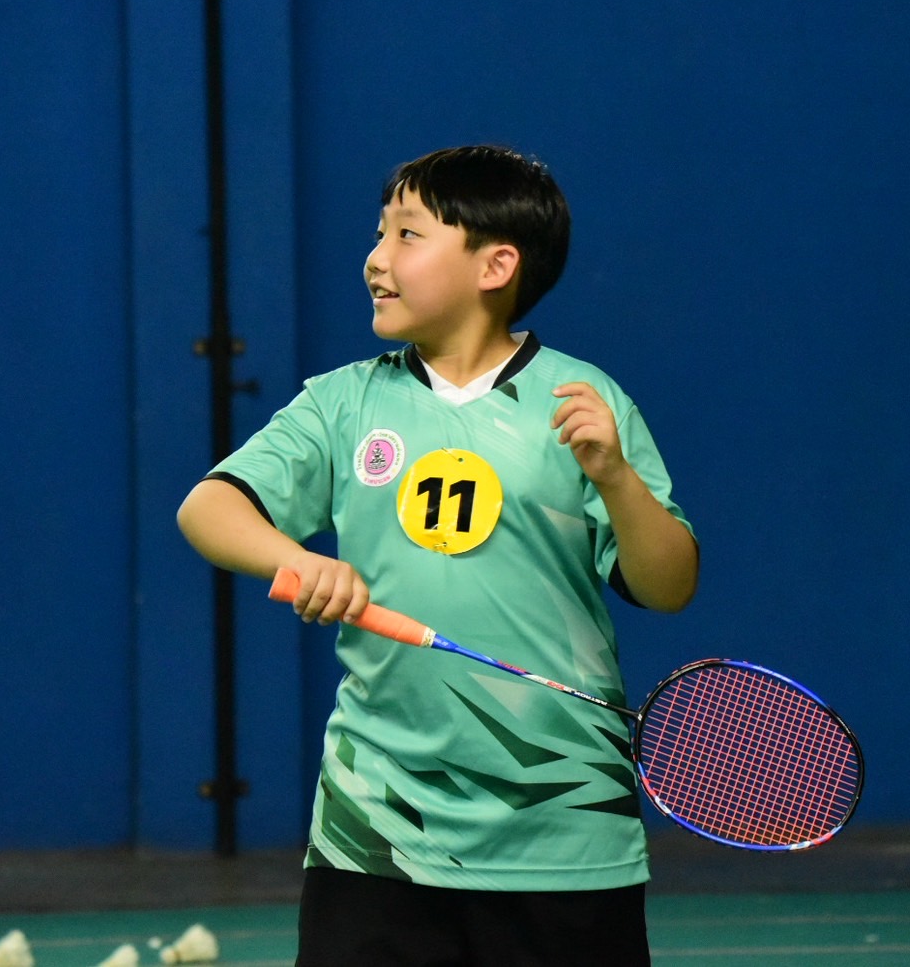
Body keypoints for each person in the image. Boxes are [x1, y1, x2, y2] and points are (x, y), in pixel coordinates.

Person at [177, 144, 698, 965]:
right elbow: (209, 506)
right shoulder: (343, 402)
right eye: (378, 233)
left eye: (407, 235)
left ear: (495, 265)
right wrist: (296, 558)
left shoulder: (583, 402)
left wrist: (617, 478)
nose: (375, 258)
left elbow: (667, 585)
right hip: (376, 826)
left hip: (562, 827)